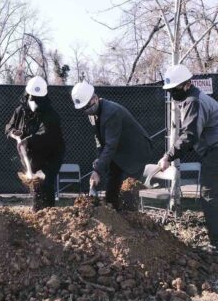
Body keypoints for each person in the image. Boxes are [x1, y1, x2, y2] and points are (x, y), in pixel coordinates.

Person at [158, 64, 218, 250]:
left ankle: (216, 244)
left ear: (186, 84)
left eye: (174, 89)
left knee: (209, 196)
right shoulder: (193, 98)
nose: (171, 93)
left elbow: (189, 135)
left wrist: (168, 156)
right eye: (169, 90)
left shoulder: (193, 100)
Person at [71, 81, 152, 211]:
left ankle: (130, 223)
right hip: (118, 151)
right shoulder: (92, 114)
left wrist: (97, 171)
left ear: (95, 98)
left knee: (126, 191)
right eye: (83, 109)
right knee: (112, 188)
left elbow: (110, 145)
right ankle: (113, 217)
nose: (86, 110)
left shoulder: (111, 112)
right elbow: (99, 140)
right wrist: (99, 159)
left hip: (135, 152)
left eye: (87, 106)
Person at [5, 76, 65, 212]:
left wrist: (28, 140)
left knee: (45, 184)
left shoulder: (51, 114)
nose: (33, 101)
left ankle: (47, 213)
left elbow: (48, 135)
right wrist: (13, 132)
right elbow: (8, 126)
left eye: (37, 99)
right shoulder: (20, 111)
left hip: (50, 156)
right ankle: (37, 212)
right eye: (32, 97)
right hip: (30, 155)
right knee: (35, 186)